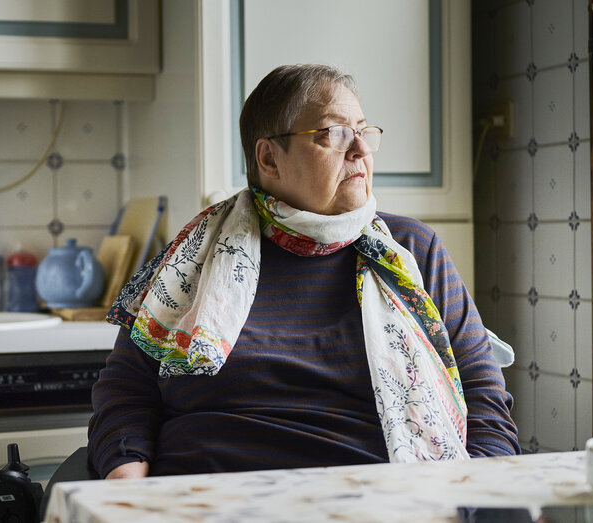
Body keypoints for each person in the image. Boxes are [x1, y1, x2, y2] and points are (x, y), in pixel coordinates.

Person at [87, 64, 519, 480]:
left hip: (383, 505)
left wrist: (474, 503)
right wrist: (128, 488)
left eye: (364, 132)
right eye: (334, 134)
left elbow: (484, 400)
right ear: (269, 159)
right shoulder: (194, 259)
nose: (361, 150)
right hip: (209, 501)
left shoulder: (413, 250)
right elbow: (127, 391)